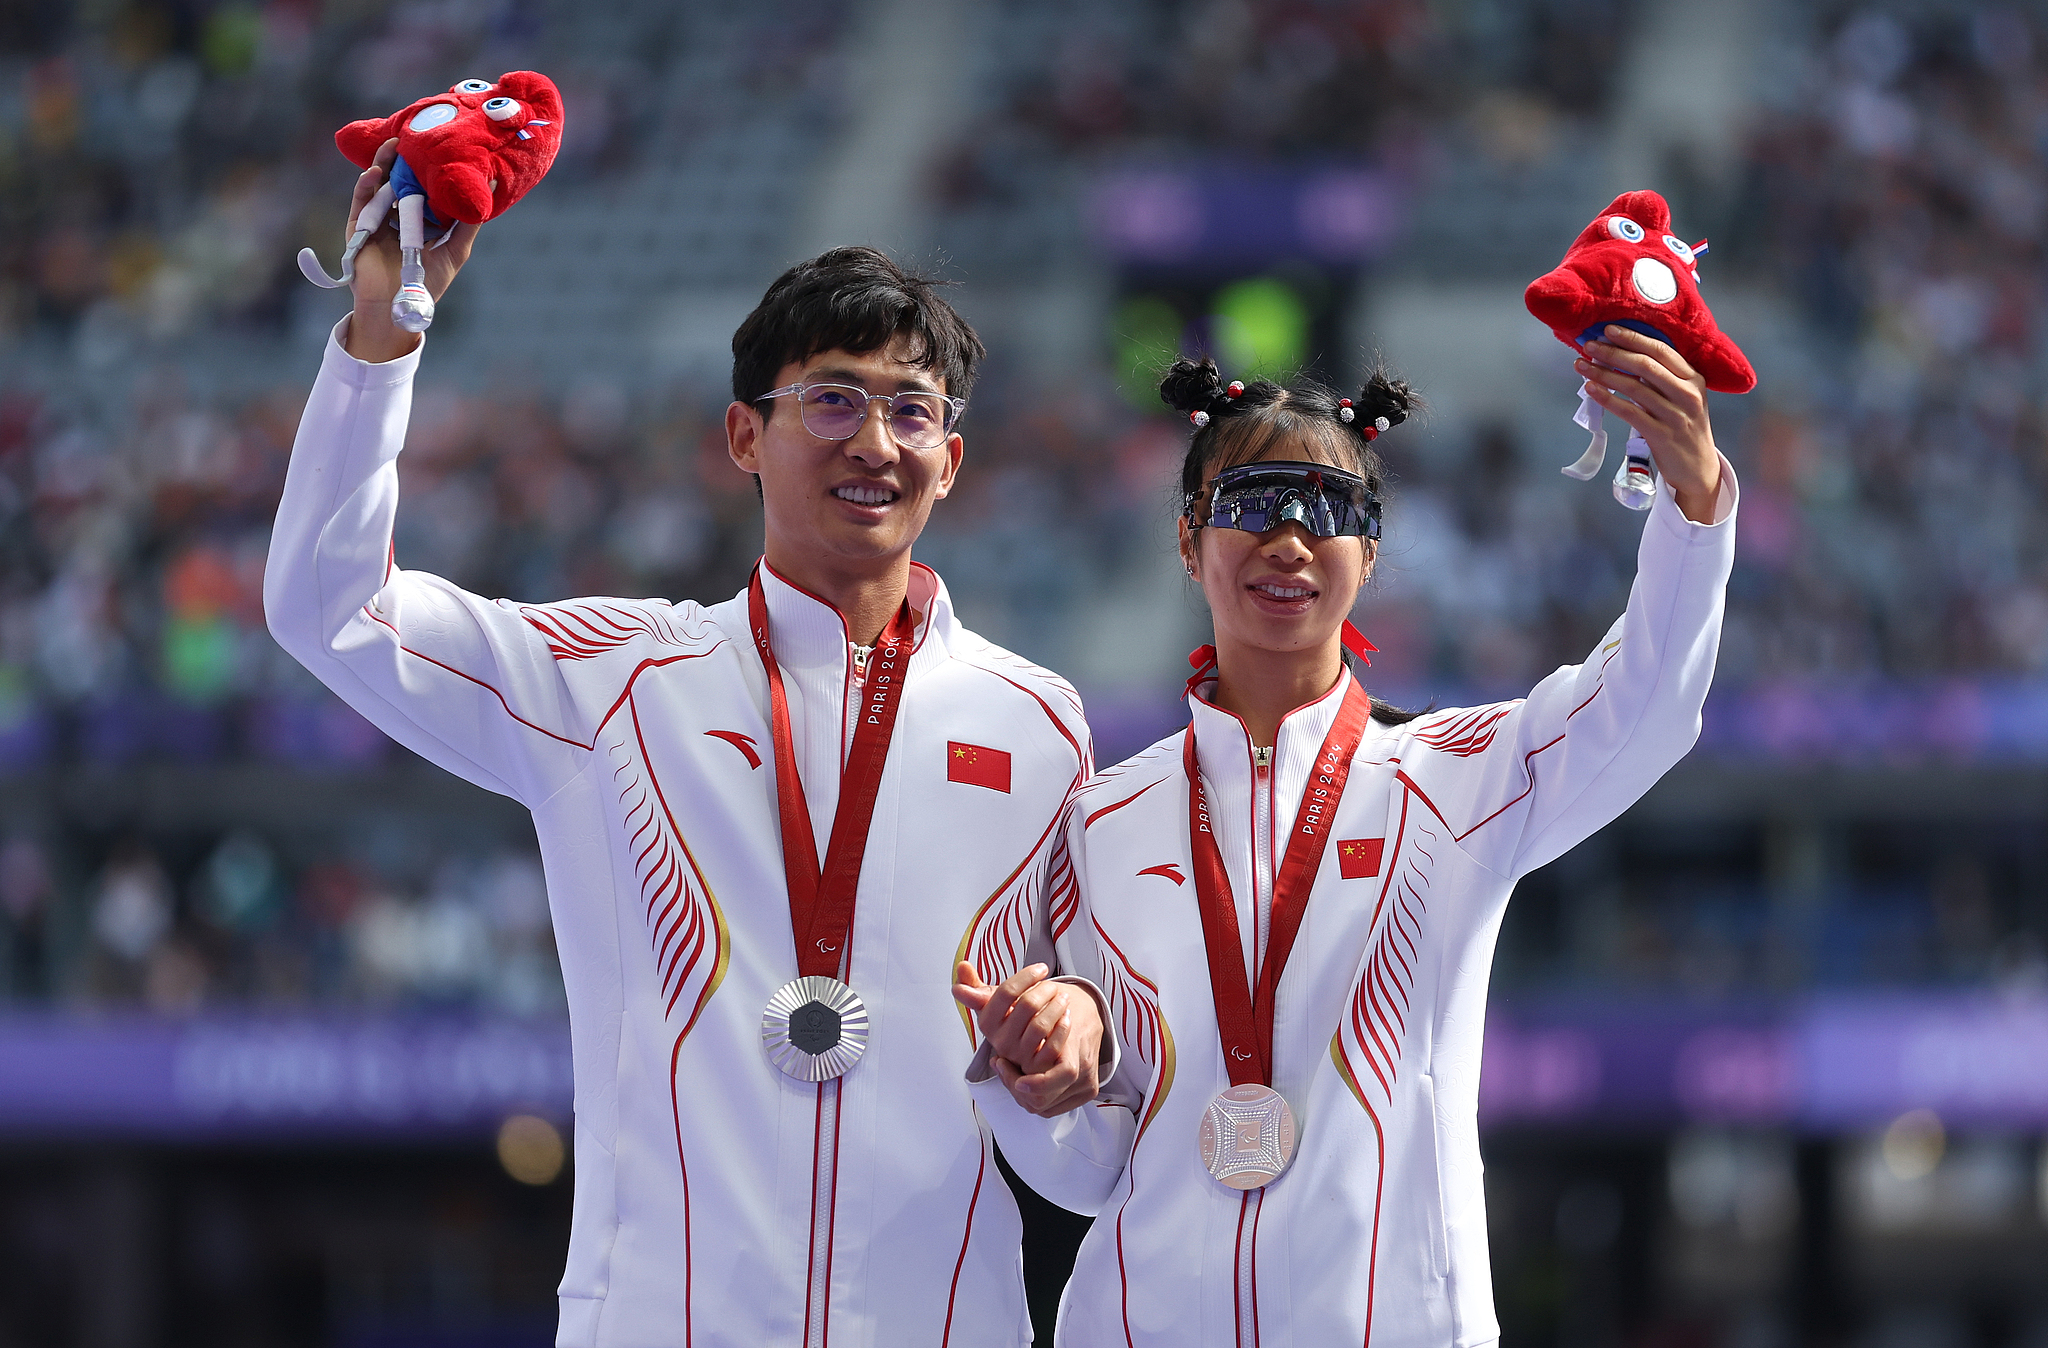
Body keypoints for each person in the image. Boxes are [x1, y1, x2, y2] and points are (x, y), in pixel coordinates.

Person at [267, 137, 1115, 1347]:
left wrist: (1062, 1063)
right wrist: (378, 336)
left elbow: (1084, 1162)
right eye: (830, 398)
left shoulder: (1036, 724)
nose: (872, 442)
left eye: (910, 410)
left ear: (951, 463)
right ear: (741, 437)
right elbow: (328, 607)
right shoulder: (614, 678)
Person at [956, 331, 1737, 1345]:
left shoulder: (1455, 778)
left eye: (1327, 508)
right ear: (1188, 541)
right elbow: (1091, 1164)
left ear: (1366, 554)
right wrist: (1036, 1087)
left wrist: (1690, 505)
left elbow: (1644, 709)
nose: (1287, 539)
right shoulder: (1100, 820)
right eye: (1247, 505)